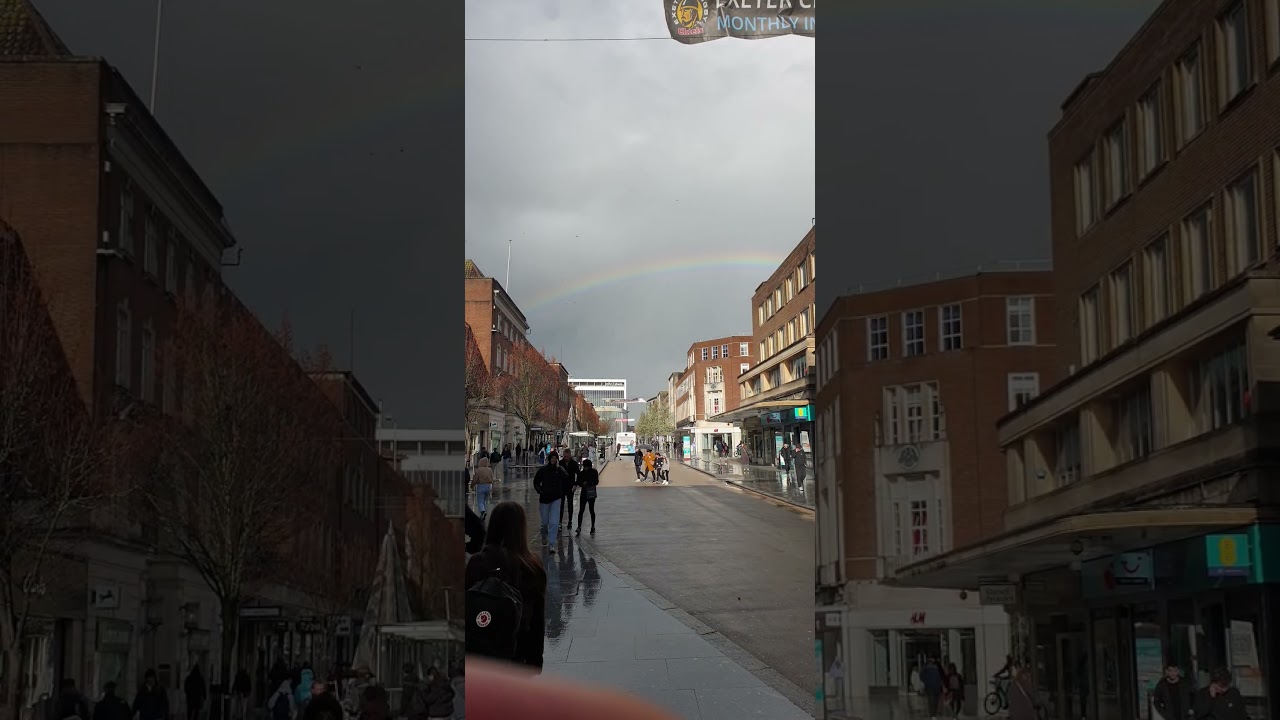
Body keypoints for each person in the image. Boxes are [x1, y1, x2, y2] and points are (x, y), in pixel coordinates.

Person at [465, 500, 547, 671]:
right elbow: (537, 622)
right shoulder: (533, 566)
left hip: (481, 654)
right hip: (518, 654)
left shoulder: (478, 563)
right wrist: (535, 662)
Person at [533, 454, 565, 552]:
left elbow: (566, 478)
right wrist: (540, 490)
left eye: (555, 458)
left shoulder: (559, 470)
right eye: (552, 458)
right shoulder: (543, 470)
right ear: (549, 459)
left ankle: (551, 544)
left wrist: (560, 468)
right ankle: (544, 535)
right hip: (544, 499)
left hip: (556, 498)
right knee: (545, 522)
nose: (554, 460)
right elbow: (536, 482)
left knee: (554, 522)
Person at [575, 459, 599, 535]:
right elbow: (579, 482)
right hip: (589, 492)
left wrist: (586, 483)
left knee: (587, 510)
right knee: (587, 510)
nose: (585, 468)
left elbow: (596, 481)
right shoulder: (592, 472)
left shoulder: (585, 473)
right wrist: (584, 483)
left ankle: (590, 527)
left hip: (587, 492)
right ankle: (583, 527)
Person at [559, 449, 580, 531]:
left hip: (570, 487)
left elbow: (578, 474)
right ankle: (560, 522)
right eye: (564, 456)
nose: (566, 458)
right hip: (562, 487)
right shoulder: (560, 463)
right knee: (561, 505)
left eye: (567, 456)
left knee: (570, 505)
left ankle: (570, 521)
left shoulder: (574, 464)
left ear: (570, 455)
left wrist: (575, 484)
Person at [920, 656, 943, 720]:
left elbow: (921, 677)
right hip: (936, 686)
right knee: (935, 700)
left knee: (931, 700)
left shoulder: (925, 669)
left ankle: (932, 714)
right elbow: (940, 677)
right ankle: (934, 714)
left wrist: (926, 682)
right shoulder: (936, 668)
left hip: (930, 686)